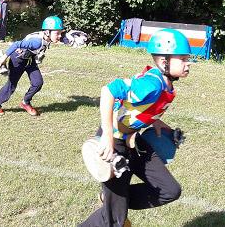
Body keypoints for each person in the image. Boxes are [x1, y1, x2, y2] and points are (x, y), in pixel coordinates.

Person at [80, 28, 193, 227]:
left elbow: (138, 108)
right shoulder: (151, 84)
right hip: (114, 144)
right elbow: (109, 90)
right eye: (183, 59)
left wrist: (156, 122)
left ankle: (113, 201)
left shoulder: (165, 85)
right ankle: (114, 206)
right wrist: (107, 135)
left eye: (188, 59)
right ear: (164, 61)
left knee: (170, 190)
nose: (188, 63)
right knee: (115, 221)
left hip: (134, 142)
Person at [0, 16, 69, 116]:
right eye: (57, 33)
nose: (59, 36)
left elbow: (60, 39)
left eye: (60, 33)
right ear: (47, 32)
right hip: (18, 60)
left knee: (38, 83)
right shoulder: (36, 42)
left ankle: (25, 102)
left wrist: (69, 40)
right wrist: (4, 58)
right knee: (12, 85)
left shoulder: (47, 37)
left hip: (30, 60)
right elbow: (16, 44)